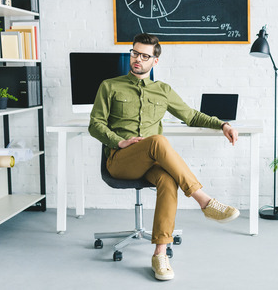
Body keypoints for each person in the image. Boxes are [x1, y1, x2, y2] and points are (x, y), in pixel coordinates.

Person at [88, 33, 240, 281]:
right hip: (120, 161)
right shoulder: (110, 86)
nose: (137, 59)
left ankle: (160, 254)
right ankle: (204, 201)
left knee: (169, 180)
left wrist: (223, 124)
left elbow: (192, 116)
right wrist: (120, 141)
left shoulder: (163, 90)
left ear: (154, 62)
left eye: (144, 56)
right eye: (134, 53)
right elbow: (95, 125)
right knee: (158, 141)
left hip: (150, 162)